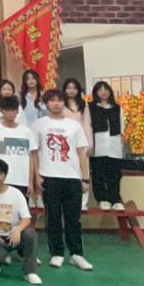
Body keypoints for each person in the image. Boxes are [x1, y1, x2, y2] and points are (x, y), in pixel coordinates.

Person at [34, 89, 94, 271]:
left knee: (73, 218)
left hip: (72, 177)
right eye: (52, 100)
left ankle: (77, 254)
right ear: (46, 103)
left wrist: (85, 178)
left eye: (59, 100)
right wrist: (37, 175)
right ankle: (57, 253)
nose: (56, 103)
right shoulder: (38, 125)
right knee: (52, 217)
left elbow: (82, 153)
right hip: (49, 177)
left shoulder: (74, 125)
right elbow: (34, 153)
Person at [0, 159, 41, 285]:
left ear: (5, 175)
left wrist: (18, 230)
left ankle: (30, 272)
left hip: (13, 236)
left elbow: (26, 218)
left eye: (0, 173)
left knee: (30, 234)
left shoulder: (16, 193)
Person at [0, 96, 38, 196]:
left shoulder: (27, 132)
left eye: (13, 110)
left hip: (22, 181)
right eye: (7, 110)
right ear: (1, 111)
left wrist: (30, 182)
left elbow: (31, 158)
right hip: (0, 180)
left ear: (17, 111)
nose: (10, 113)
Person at [87, 81, 126, 211]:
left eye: (106, 89)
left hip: (114, 146)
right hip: (98, 146)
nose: (103, 92)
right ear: (95, 93)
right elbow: (88, 126)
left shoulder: (117, 108)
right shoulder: (91, 107)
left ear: (110, 91)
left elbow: (122, 127)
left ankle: (115, 199)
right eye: (100, 90)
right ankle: (102, 199)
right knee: (99, 174)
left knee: (114, 175)